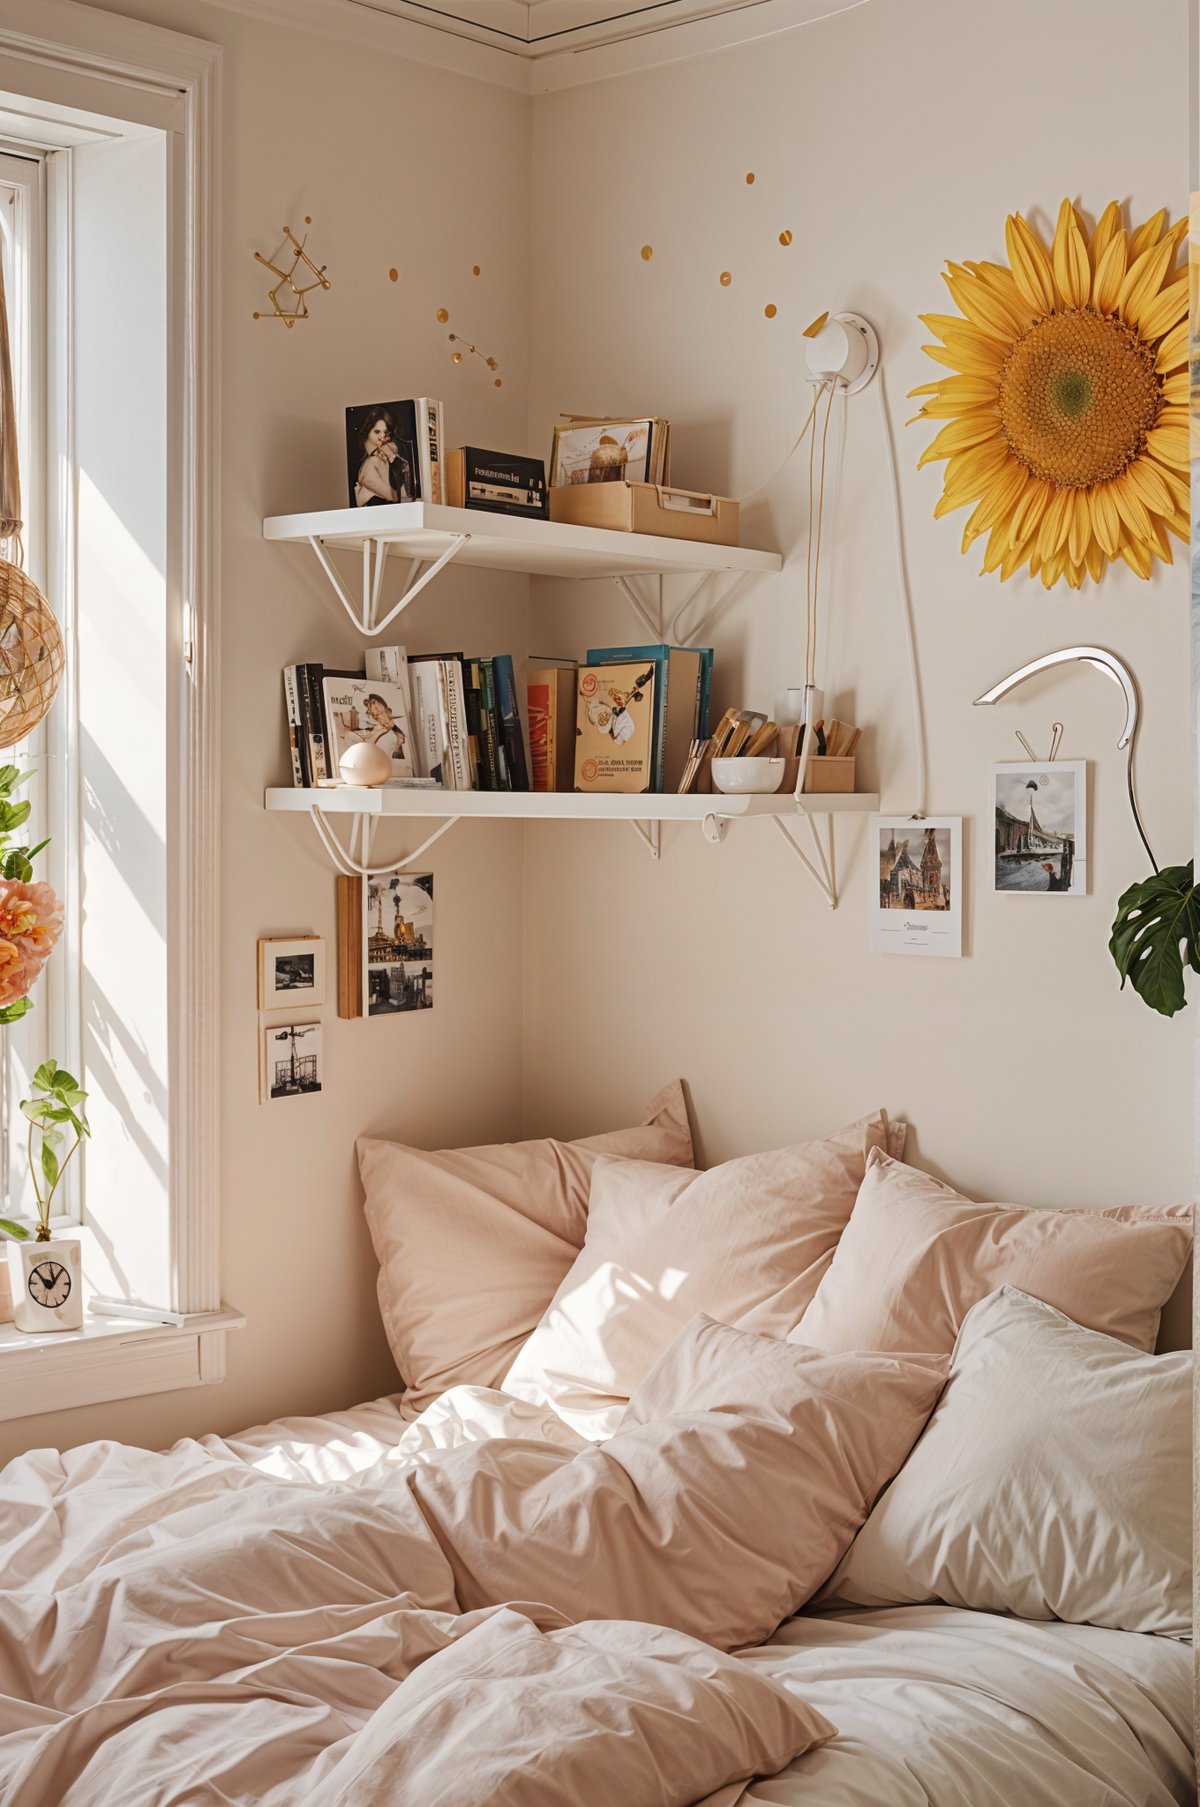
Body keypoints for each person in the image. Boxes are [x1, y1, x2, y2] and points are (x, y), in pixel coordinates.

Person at [354, 411, 414, 507]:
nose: (382, 437)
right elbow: (395, 497)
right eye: (377, 431)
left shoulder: (386, 459)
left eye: (386, 433)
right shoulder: (371, 462)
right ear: (367, 431)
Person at [363, 692, 407, 761]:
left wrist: (390, 724)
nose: (375, 705)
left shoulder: (401, 722)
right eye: (377, 716)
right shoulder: (379, 731)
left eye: (375, 702)